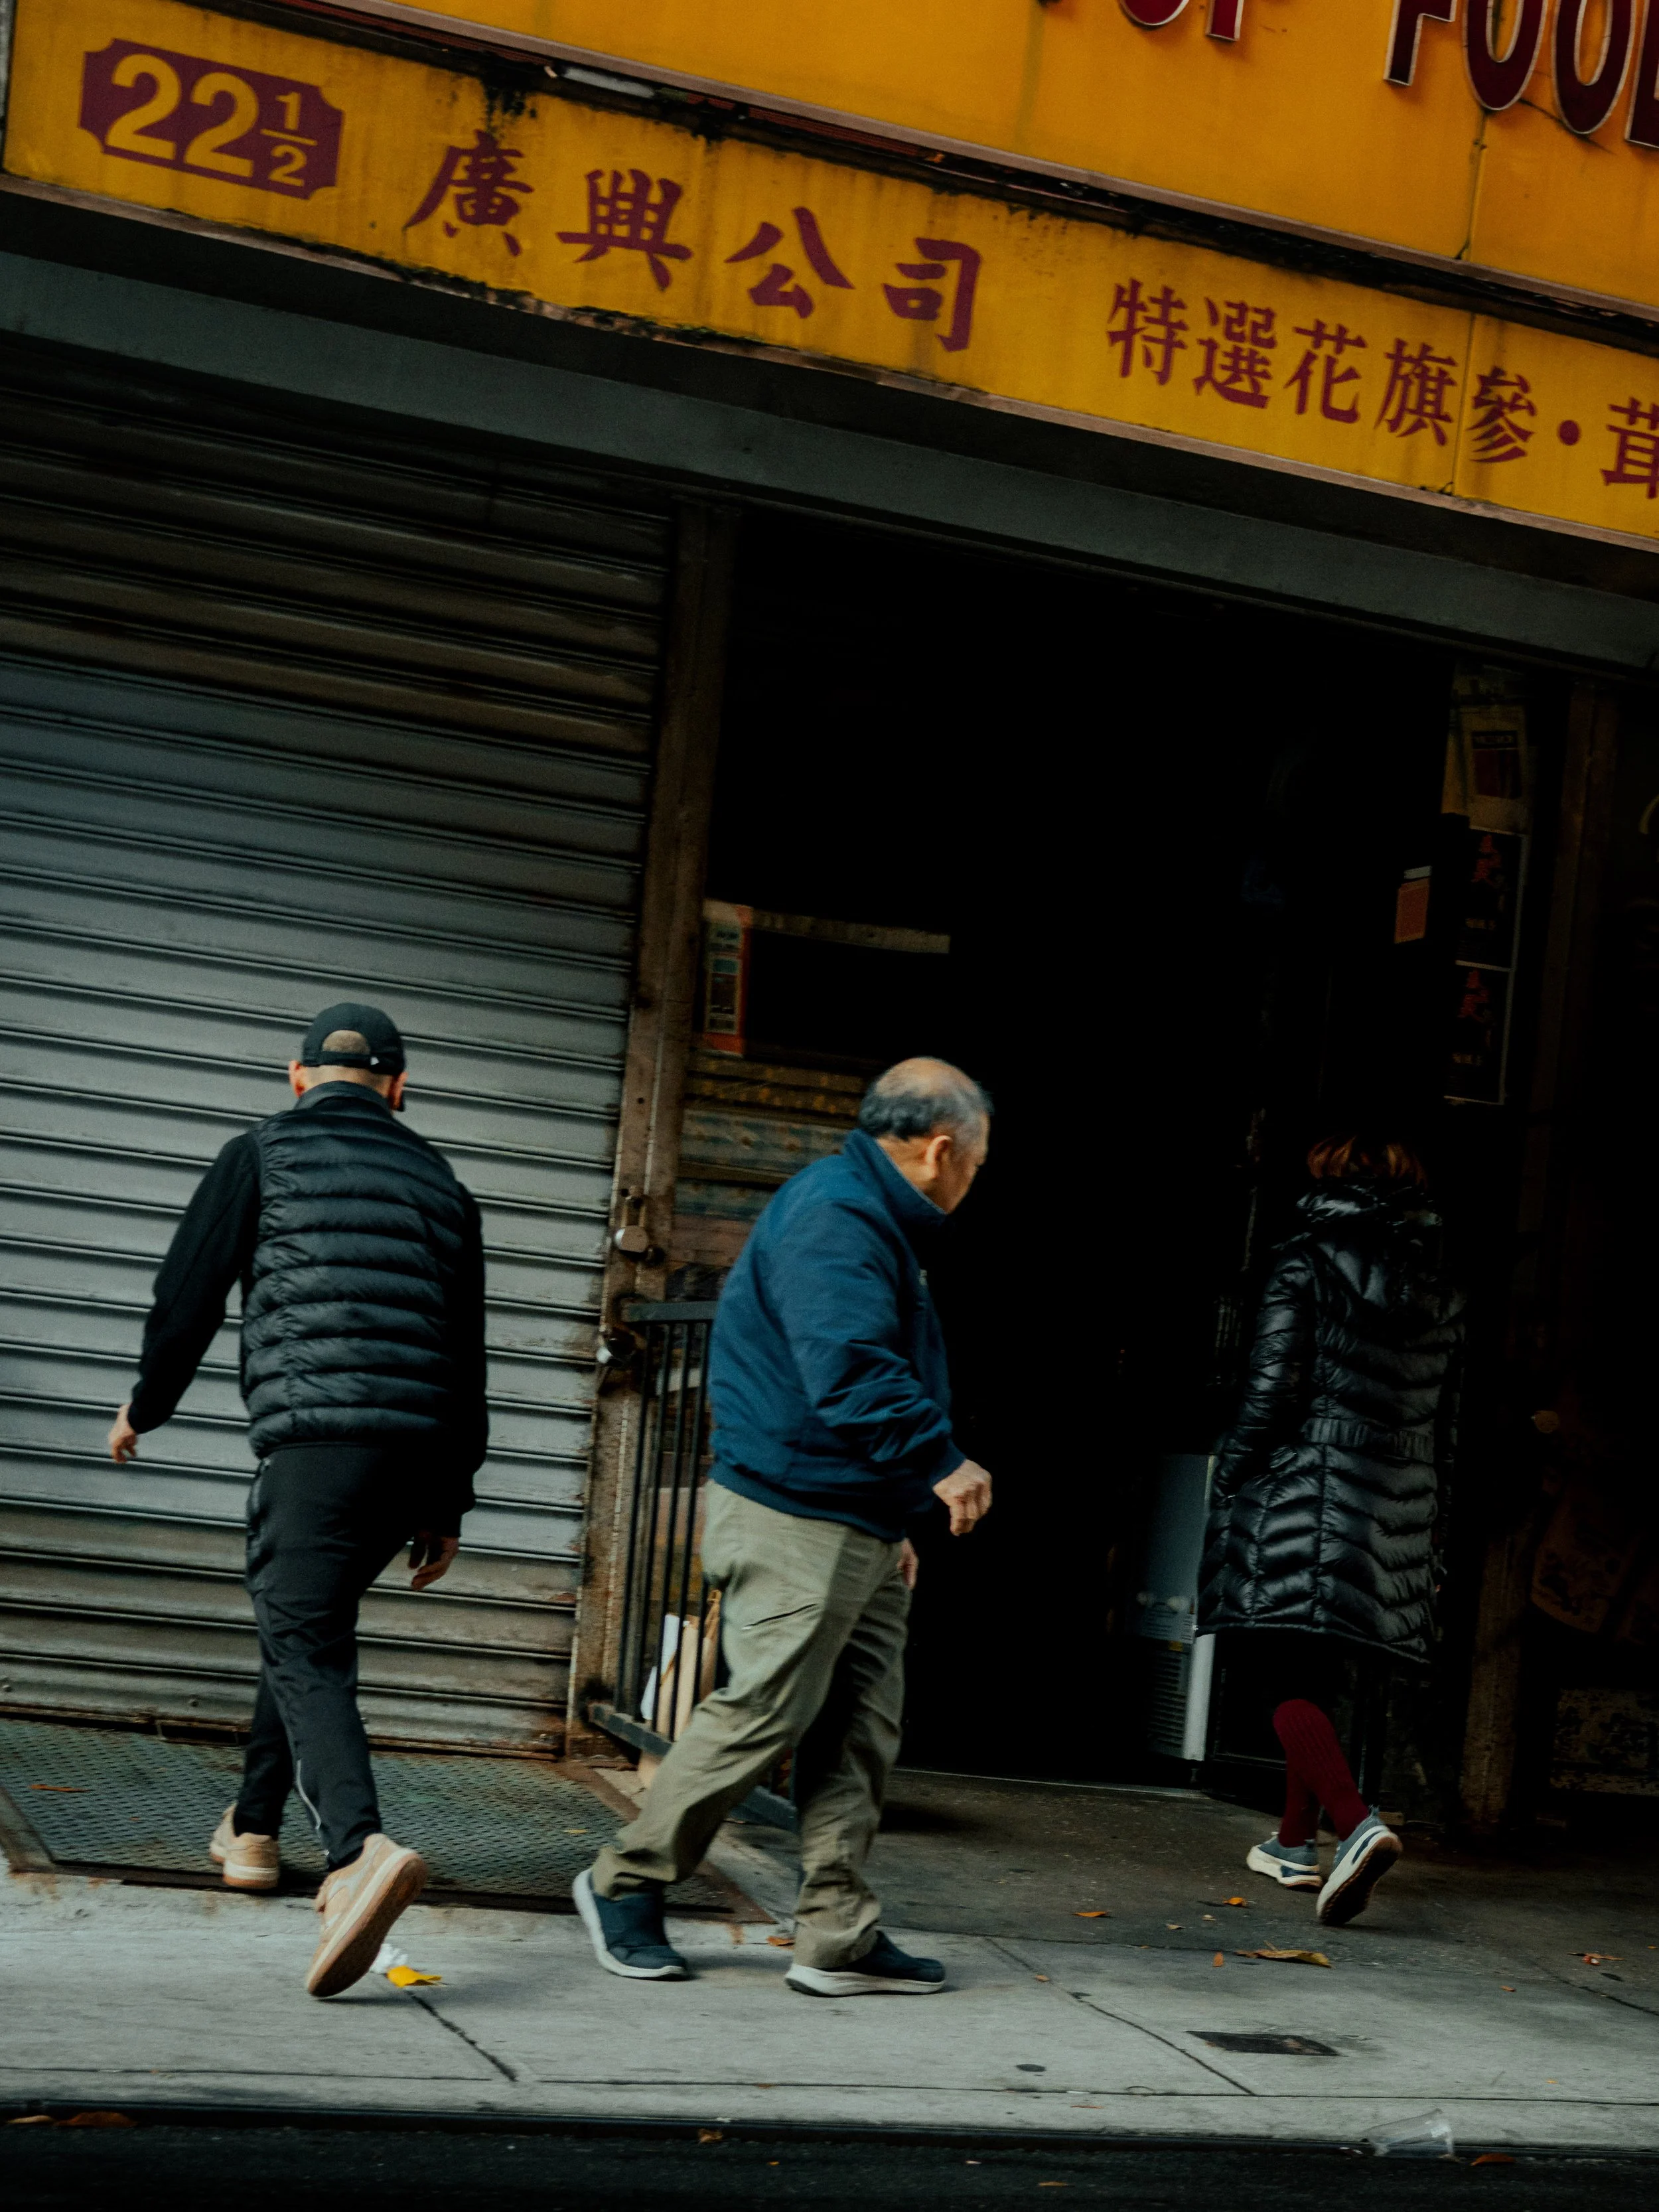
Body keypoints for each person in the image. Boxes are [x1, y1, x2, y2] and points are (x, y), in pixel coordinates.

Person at [576, 1057, 994, 1996]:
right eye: (977, 1160)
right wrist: (941, 1459)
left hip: (854, 1517)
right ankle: (624, 1883)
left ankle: (836, 1933)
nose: (974, 1180)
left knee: (858, 1731)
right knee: (764, 1713)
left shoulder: (867, 1213)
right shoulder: (838, 1215)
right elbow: (845, 1368)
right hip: (794, 1511)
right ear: (940, 1150)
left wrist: (895, 1520)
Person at [107, 1004, 488, 1997]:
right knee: (302, 1628)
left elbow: (186, 1292)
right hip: (411, 1459)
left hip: (318, 1449)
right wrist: (450, 1500)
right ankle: (254, 1833)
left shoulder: (262, 1154)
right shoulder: (444, 1185)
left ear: (297, 1078)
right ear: (401, 1088)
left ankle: (358, 1851)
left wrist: (147, 1404)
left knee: (306, 1641)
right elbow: (467, 1360)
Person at [1197, 1132, 1463, 1927]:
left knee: (1275, 1677)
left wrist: (1232, 1472)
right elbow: (1446, 1425)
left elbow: (1271, 1389)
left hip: (1306, 1488)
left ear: (1327, 1182)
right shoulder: (1441, 1286)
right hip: (1396, 1501)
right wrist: (1432, 1515)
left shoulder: (1303, 1262)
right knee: (1314, 1678)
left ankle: (1356, 1825)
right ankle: (1291, 1843)